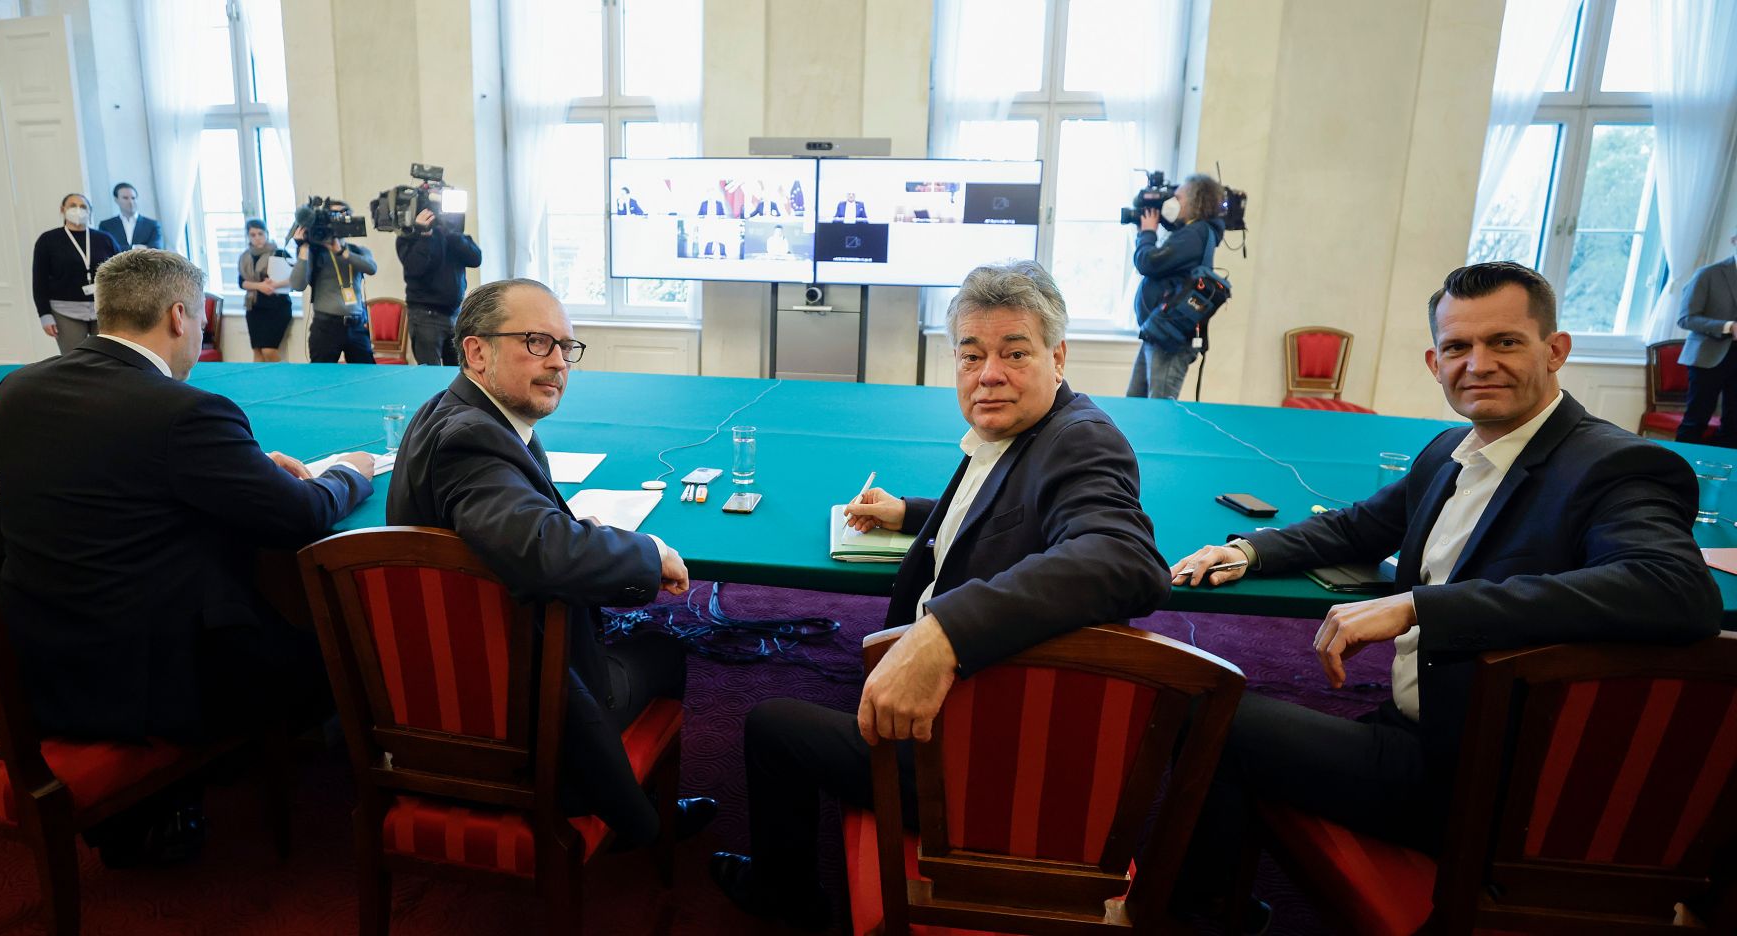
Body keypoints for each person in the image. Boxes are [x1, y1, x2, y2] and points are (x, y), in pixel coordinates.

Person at [1168, 261, 1722, 923]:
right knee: (1228, 729)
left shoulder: (1614, 466)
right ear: (1436, 363)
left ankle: (1190, 916)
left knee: (1205, 713)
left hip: (1484, 779)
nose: (1478, 364)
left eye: (1505, 342)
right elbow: (1358, 527)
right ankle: (1218, 907)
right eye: (1458, 347)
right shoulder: (1450, 450)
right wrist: (1249, 550)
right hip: (1419, 731)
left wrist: (1420, 606)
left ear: (1555, 350)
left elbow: (1673, 587)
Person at [709, 260, 1171, 930]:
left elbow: (1123, 559)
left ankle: (788, 904)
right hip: (980, 703)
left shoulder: (1083, 441)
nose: (989, 374)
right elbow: (1006, 512)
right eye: (972, 355)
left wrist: (945, 632)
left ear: (1058, 357)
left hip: (980, 752)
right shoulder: (1024, 430)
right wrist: (912, 513)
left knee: (772, 727)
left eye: (1015, 353)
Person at [0, 249, 376, 863]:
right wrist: (351, 472)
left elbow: (108, 481)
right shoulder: (184, 412)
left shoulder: (19, 391)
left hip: (36, 662)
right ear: (178, 316)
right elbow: (300, 515)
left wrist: (243, 468)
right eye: (198, 319)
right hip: (151, 680)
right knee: (334, 658)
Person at [386, 277, 715, 849]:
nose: (559, 362)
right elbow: (540, 549)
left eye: (566, 346)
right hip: (512, 698)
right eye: (537, 342)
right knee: (665, 648)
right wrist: (649, 552)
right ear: (477, 351)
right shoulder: (472, 440)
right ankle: (635, 814)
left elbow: (516, 529)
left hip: (459, 660)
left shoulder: (449, 409)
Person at [1127, 173, 1226, 399]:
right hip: (1158, 333)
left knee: (1158, 409)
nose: (1173, 203)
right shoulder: (1191, 232)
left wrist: (1148, 233)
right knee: (1135, 405)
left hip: (1169, 340)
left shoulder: (1196, 233)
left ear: (1195, 202)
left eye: (1178, 198)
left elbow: (1148, 262)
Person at [32, 193, 121, 355]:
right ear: (62, 210)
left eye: (83, 206)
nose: (78, 210)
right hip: (65, 310)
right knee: (74, 359)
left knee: (108, 356)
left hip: (103, 308)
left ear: (90, 211)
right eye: (73, 206)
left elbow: (120, 274)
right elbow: (39, 280)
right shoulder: (48, 240)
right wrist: (44, 315)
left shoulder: (105, 239)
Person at [395, 208, 483, 366]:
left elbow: (475, 259)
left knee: (459, 372)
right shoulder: (409, 237)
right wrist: (425, 235)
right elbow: (415, 267)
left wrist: (450, 232)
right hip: (426, 316)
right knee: (431, 374)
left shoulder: (453, 235)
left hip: (455, 315)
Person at [1674, 229, 1737, 446]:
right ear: (1734, 241)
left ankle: (1724, 466)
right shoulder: (1708, 274)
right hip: (1708, 357)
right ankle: (1679, 465)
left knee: (1733, 425)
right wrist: (1728, 327)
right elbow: (1686, 318)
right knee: (1696, 420)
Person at [290, 211, 377, 364]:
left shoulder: (357, 250)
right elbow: (297, 285)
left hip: (356, 325)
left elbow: (371, 268)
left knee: (366, 374)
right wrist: (304, 247)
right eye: (330, 217)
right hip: (325, 327)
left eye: (339, 216)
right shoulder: (314, 254)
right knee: (322, 375)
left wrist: (341, 252)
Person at [237, 219, 293, 362]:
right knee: (257, 352)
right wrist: (260, 286)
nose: (257, 238)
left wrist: (275, 285)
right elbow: (241, 282)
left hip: (277, 307)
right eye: (253, 235)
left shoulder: (279, 253)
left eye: (260, 234)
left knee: (269, 351)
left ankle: (284, 375)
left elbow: (295, 277)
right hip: (254, 307)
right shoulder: (245, 256)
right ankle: (260, 378)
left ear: (267, 233)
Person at [97, 181, 164, 250]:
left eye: (133, 198)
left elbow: (156, 250)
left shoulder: (153, 225)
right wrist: (134, 248)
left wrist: (120, 248)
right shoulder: (106, 226)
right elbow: (104, 250)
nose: (131, 202)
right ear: (116, 200)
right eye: (125, 198)